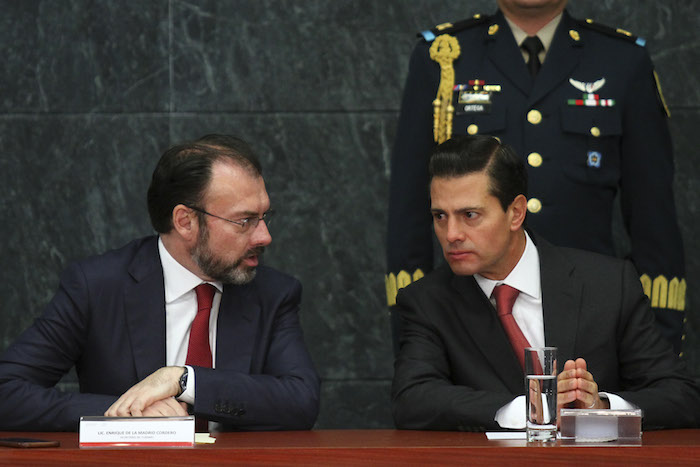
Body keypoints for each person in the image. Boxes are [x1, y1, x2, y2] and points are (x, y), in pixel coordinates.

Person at [385, 0, 686, 354]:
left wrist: (657, 343)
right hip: (470, 325)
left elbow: (654, 217)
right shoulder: (443, 57)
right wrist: (414, 331)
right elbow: (410, 208)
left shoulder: (621, 59)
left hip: (592, 320)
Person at [0, 135, 320, 431]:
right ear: (185, 221)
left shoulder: (273, 293)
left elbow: (300, 401)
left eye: (264, 217)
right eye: (244, 221)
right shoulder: (98, 286)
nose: (265, 236)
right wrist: (130, 411)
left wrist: (184, 380)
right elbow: (8, 393)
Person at [392, 135, 699, 431]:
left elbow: (679, 395)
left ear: (515, 213)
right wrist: (529, 408)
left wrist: (600, 408)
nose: (451, 234)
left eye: (469, 215)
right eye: (440, 216)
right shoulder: (427, 302)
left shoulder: (608, 284)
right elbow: (413, 399)